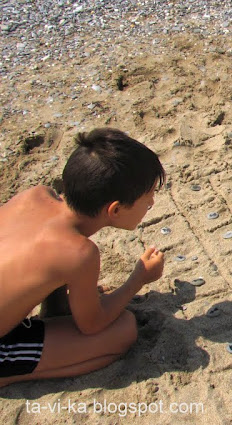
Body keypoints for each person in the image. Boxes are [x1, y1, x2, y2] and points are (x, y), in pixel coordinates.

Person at [0, 128, 166, 387]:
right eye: (148, 198)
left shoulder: (35, 195)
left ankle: (54, 314)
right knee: (123, 331)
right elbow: (92, 324)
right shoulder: (80, 254)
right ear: (116, 209)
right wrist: (139, 278)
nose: (152, 203)